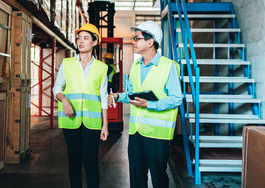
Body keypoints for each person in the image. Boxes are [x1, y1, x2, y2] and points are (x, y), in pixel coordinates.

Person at [108, 21, 182, 188]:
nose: (133, 41)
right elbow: (133, 95)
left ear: (150, 42)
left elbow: (176, 98)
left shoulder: (169, 66)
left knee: (158, 178)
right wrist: (118, 96)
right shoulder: (135, 66)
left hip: (158, 135)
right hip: (135, 133)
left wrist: (150, 104)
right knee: (136, 177)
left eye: (137, 38)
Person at [53, 23, 109, 188]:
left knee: (91, 163)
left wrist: (105, 125)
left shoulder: (102, 67)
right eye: (79, 38)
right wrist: (64, 100)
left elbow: (103, 97)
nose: (80, 41)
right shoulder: (67, 64)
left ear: (94, 41)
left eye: (86, 38)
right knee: (74, 161)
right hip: (71, 121)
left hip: (92, 122)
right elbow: (57, 88)